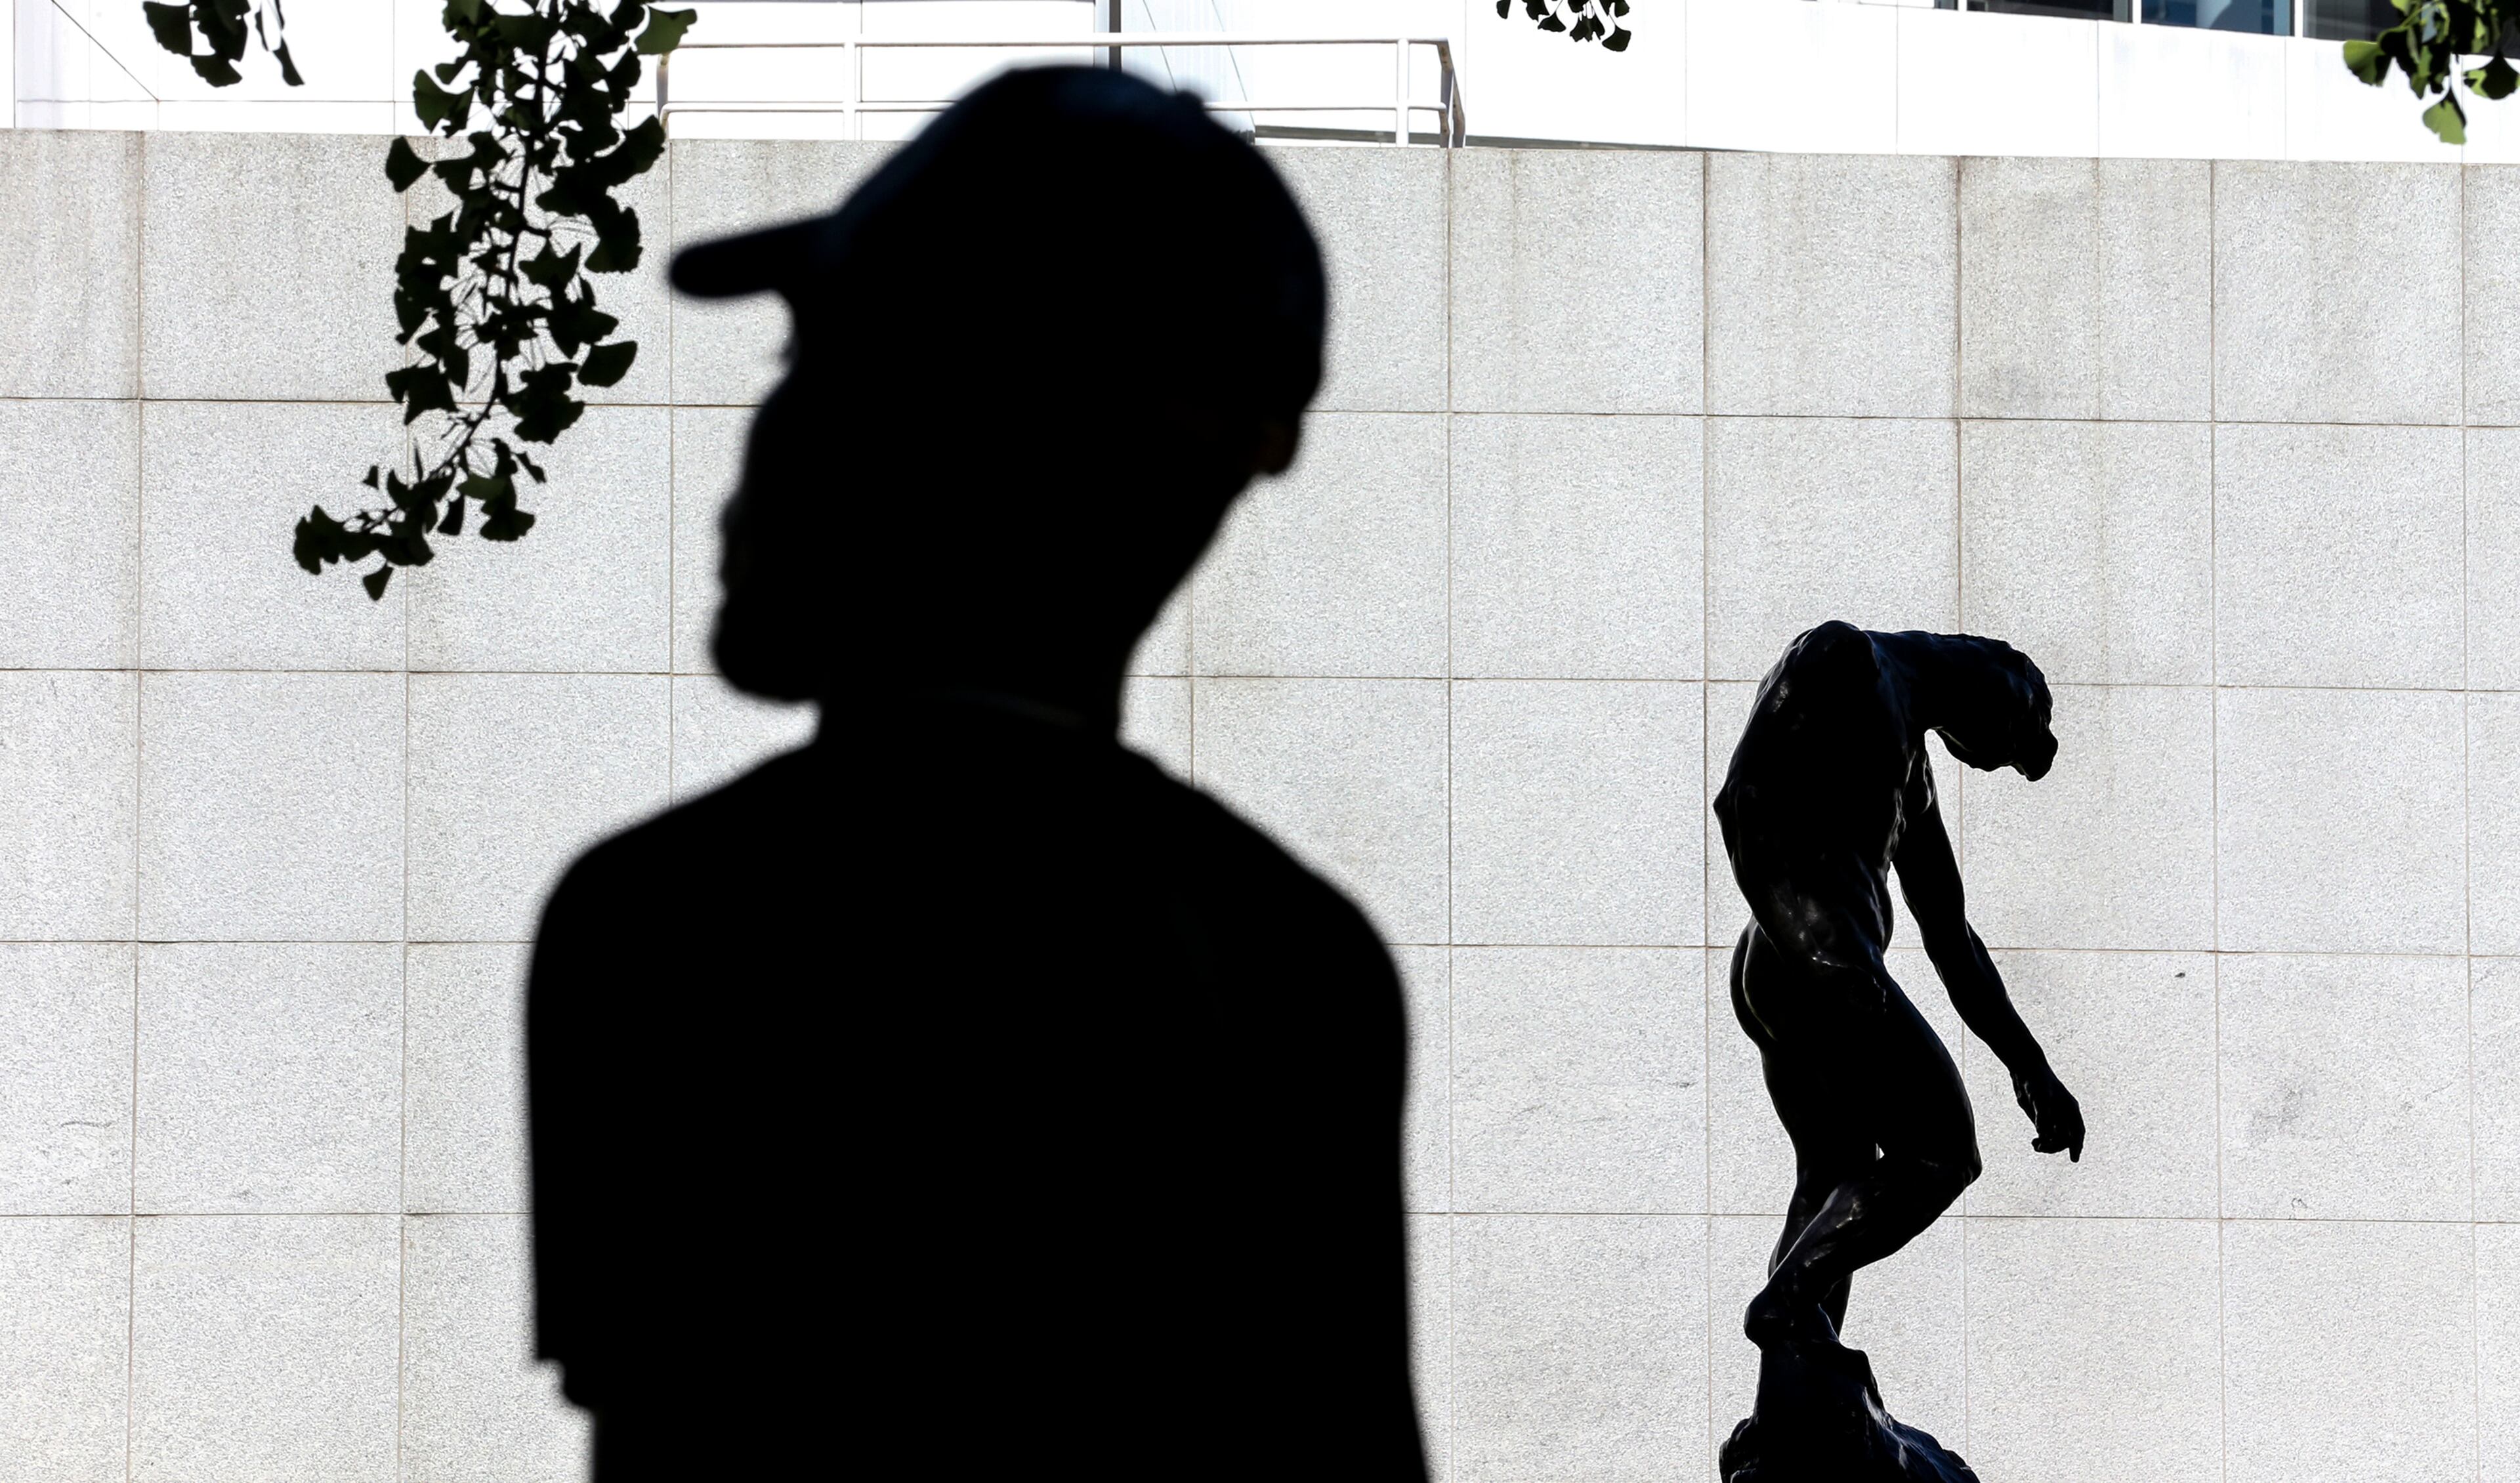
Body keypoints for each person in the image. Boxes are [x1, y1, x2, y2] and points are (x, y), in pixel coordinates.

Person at [522, 67, 1429, 1480]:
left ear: (960, 426)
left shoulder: (665, 920)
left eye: (819, 363)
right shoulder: (1301, 964)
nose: (763, 441)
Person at [1713, 622, 2084, 1355]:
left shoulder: (1911, 770)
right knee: (1944, 1152)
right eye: (2019, 732)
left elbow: (1951, 937)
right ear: (2007, 675)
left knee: (1836, 1178)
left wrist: (2030, 1065)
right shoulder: (1842, 657)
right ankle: (1784, 1307)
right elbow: (1742, 799)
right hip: (1815, 964)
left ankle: (1797, 1374)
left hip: (1798, 969)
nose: (2015, 756)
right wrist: (1819, 954)